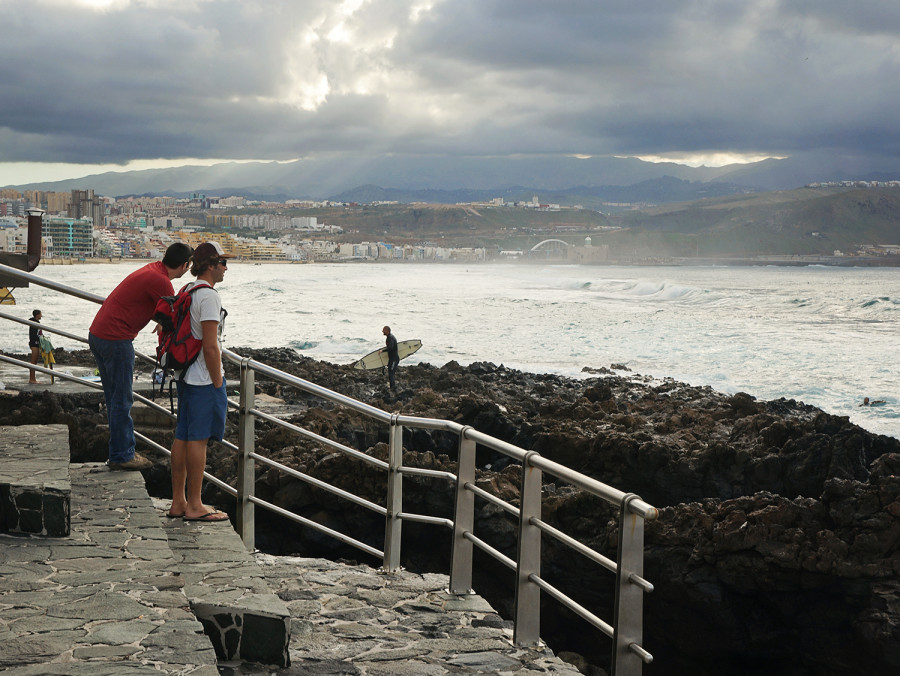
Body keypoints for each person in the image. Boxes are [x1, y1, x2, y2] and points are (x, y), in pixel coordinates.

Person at [89, 242, 193, 471]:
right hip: (116, 339)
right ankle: (122, 455)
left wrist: (161, 320)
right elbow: (176, 315)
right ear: (185, 266)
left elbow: (162, 310)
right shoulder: (162, 281)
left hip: (99, 334)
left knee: (114, 399)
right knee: (122, 400)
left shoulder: (153, 269)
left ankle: (120, 451)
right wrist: (166, 322)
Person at [167, 242, 231, 522]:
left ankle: (178, 502)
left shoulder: (186, 290)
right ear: (211, 265)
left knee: (183, 436)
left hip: (183, 374)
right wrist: (218, 383)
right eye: (224, 262)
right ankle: (195, 504)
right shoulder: (208, 297)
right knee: (198, 440)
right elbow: (211, 346)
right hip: (202, 380)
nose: (227, 268)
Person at [27, 309, 42, 384]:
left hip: (36, 343)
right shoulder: (34, 323)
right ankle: (32, 379)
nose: (41, 315)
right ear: (37, 315)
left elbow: (39, 333)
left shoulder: (37, 323)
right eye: (40, 314)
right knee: (33, 362)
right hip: (34, 344)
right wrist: (39, 339)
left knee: (35, 362)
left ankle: (33, 379)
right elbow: (34, 335)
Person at [383, 325, 399, 389]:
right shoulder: (389, 337)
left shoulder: (391, 337)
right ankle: (392, 387)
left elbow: (390, 347)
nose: (382, 331)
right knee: (390, 373)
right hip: (391, 359)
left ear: (387, 331)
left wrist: (382, 351)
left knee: (391, 373)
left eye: (383, 330)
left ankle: (392, 388)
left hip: (394, 359)